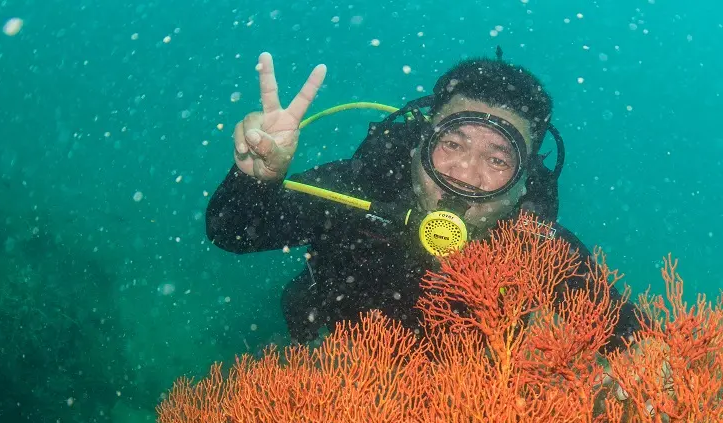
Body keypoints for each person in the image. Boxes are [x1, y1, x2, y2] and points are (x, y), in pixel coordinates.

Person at [205, 51, 639, 347]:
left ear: (525, 181)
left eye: (497, 159)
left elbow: (637, 345)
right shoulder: (359, 191)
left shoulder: (543, 253)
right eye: (452, 145)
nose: (465, 177)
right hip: (327, 369)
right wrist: (255, 179)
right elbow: (233, 232)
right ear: (418, 146)